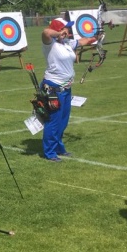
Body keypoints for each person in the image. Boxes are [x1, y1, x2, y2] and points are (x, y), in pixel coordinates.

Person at [40, 18, 96, 162]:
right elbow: (46, 32)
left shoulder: (67, 44)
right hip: (53, 88)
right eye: (66, 28)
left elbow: (83, 41)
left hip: (66, 89)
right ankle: (50, 152)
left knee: (63, 121)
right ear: (59, 29)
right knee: (53, 121)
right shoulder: (50, 44)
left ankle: (59, 147)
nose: (69, 31)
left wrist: (96, 37)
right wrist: (58, 33)